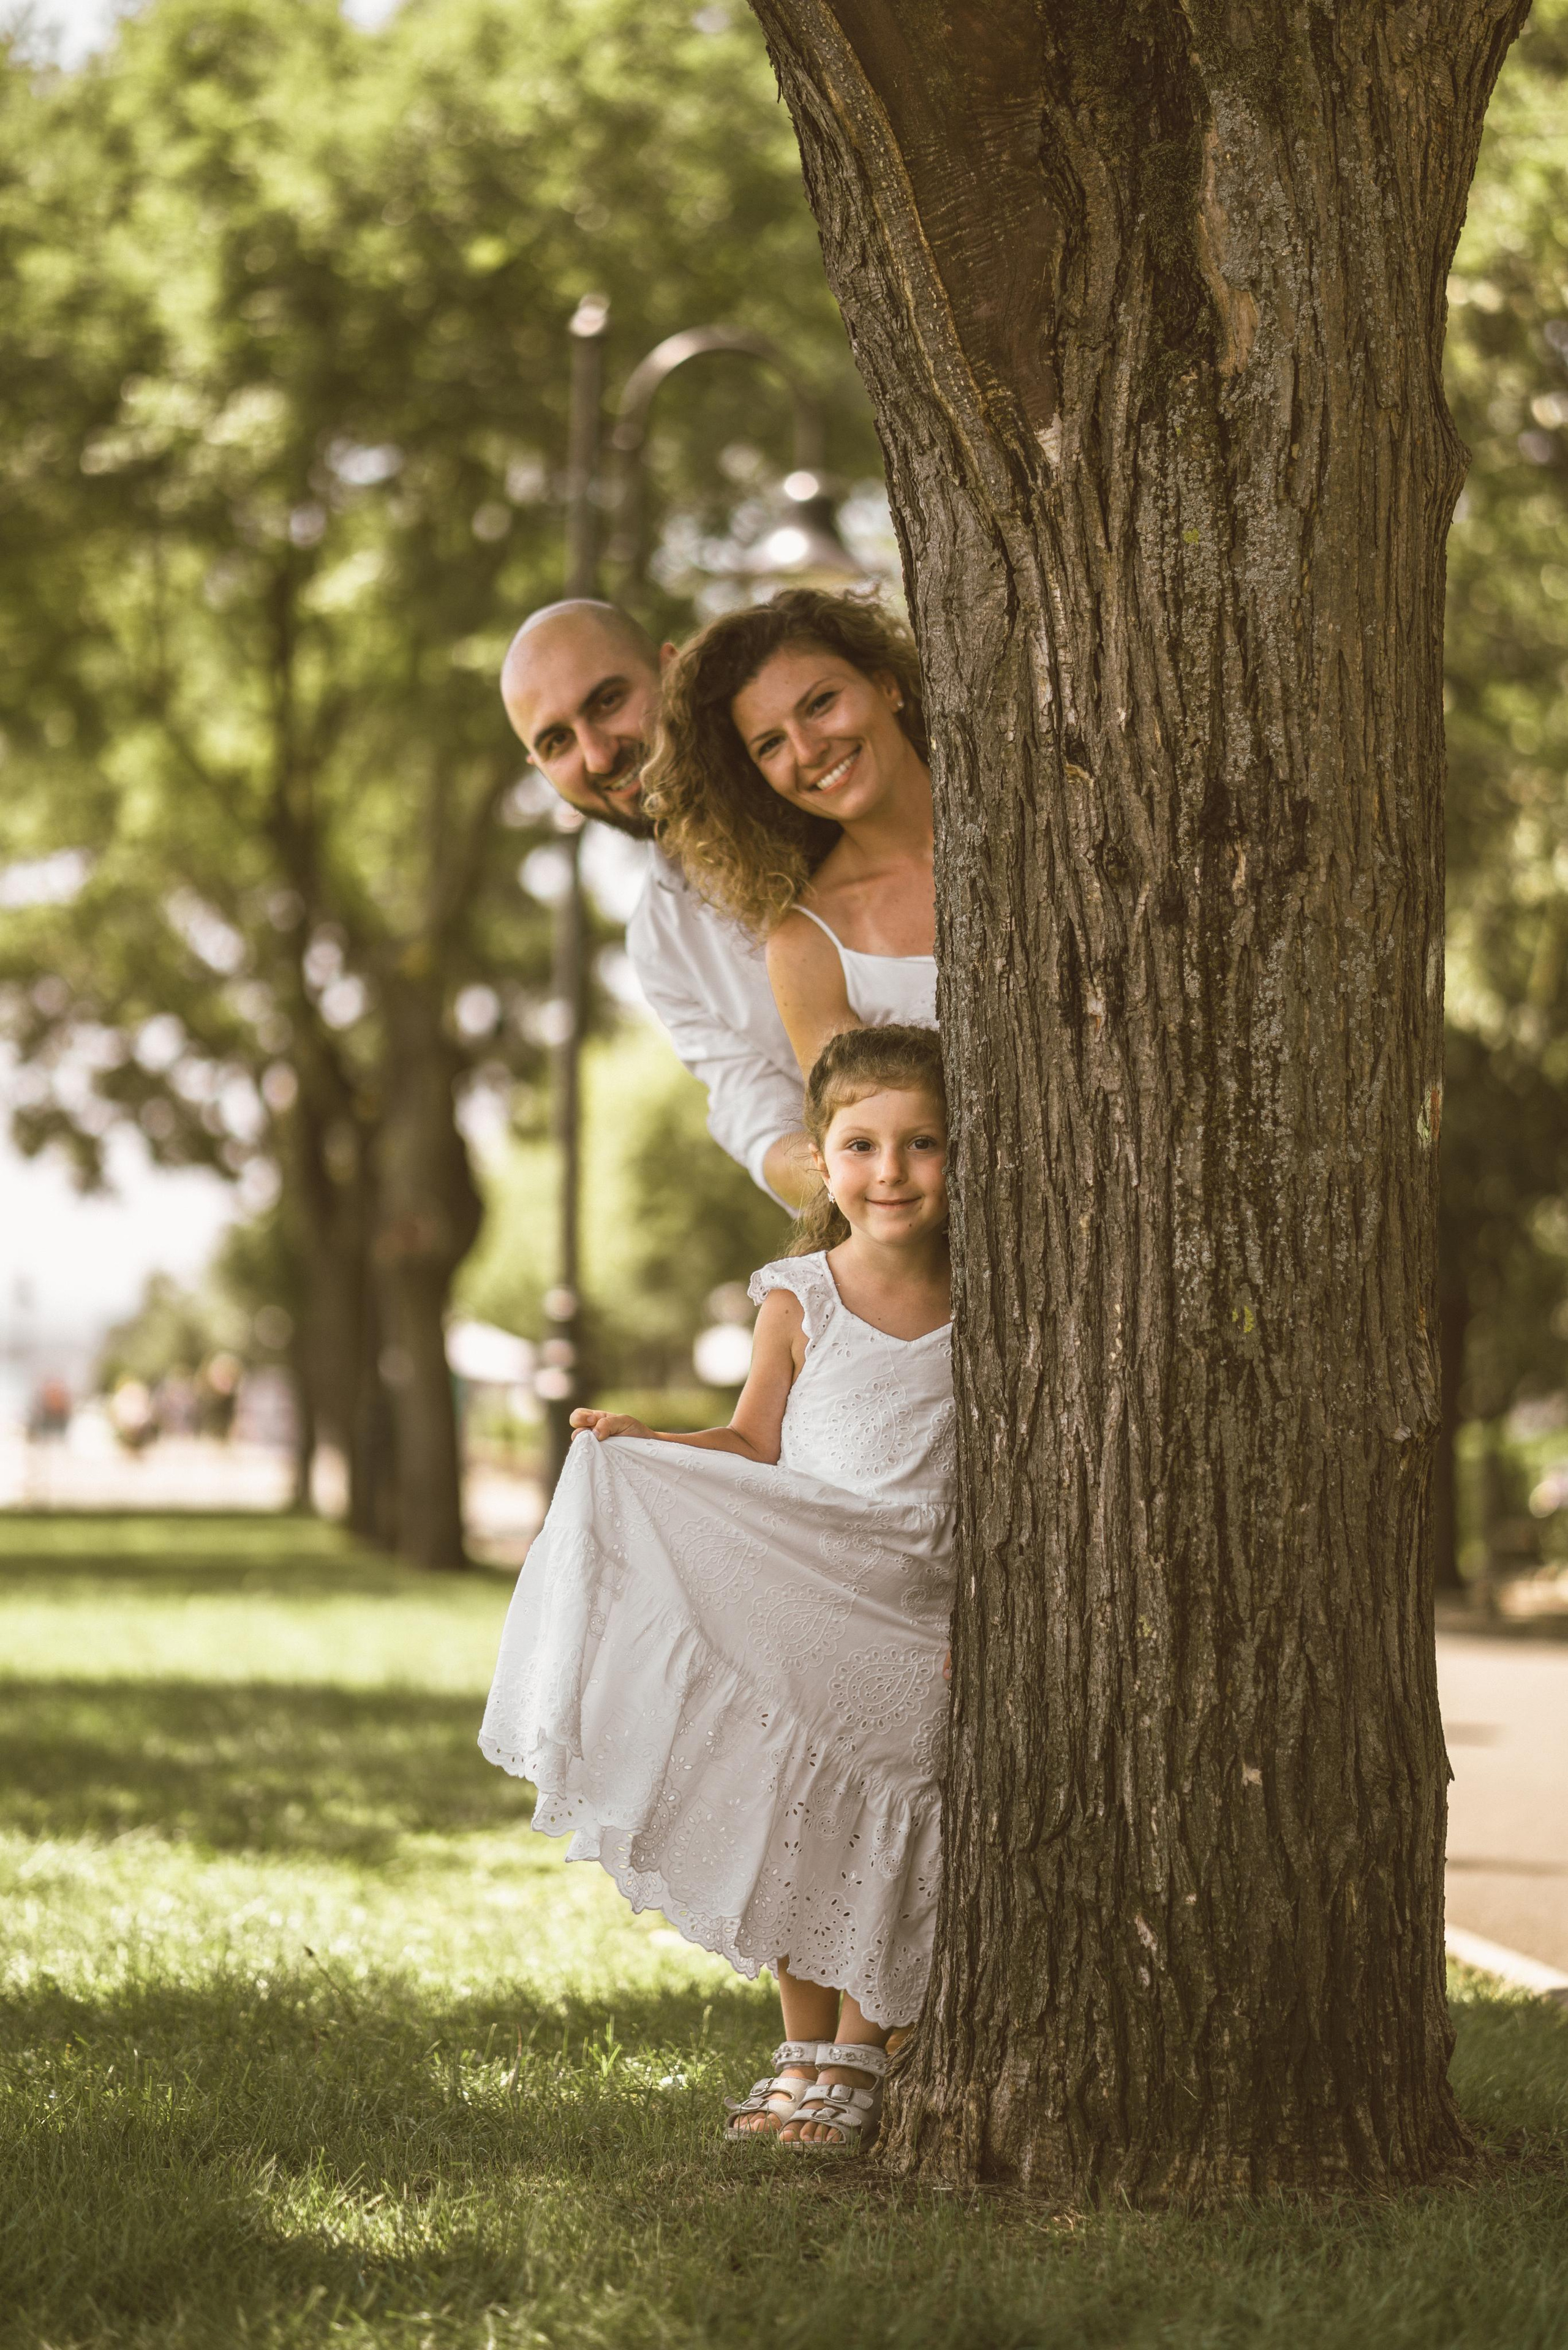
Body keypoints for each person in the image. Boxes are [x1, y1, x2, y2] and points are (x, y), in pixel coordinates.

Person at [478, 1023, 954, 2151]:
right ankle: (801, 2048)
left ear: (961, 1151)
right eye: (862, 1145)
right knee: (802, 1814)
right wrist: (654, 1443)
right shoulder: (800, 1298)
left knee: (903, 1809)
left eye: (922, 1142)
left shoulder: (989, 1299)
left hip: (919, 1597)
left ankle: (864, 2047)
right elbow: (755, 1441)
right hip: (808, 1585)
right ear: (823, 1159)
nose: (891, 1172)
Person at [500, 600, 816, 1206]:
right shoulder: (659, 944)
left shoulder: (822, 774)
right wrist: (873, 1190)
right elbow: (759, 1118)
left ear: (672, 670)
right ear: (538, 766)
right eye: (558, 741)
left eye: (608, 702)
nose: (597, 755)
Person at [645, 589, 935, 1075]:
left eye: (821, 704)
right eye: (771, 744)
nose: (807, 750)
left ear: (887, 685)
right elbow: (862, 1146)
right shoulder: (808, 948)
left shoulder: (1037, 809)